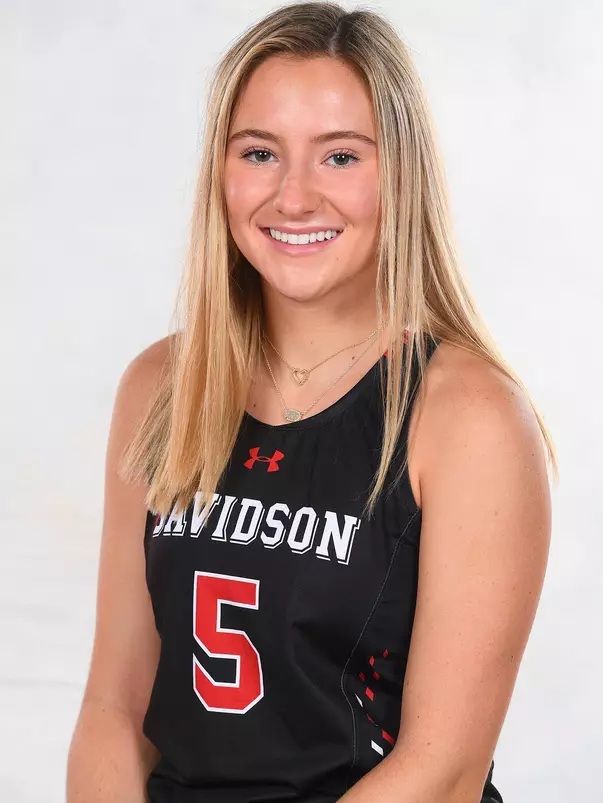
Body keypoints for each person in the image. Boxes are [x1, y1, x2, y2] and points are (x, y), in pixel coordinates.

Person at [66, 3, 554, 802]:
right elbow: (113, 708)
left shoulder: (469, 416)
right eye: (260, 152)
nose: (293, 197)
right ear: (220, 173)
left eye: (339, 157)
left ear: (399, 171)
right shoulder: (158, 386)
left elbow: (444, 767)